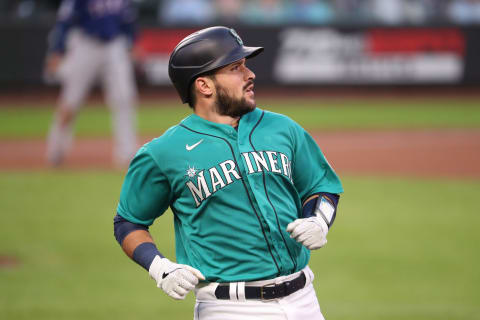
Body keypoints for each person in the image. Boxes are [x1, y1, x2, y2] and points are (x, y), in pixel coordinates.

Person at [113, 26, 343, 320]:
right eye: (236, 68)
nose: (250, 75)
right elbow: (128, 222)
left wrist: (319, 220)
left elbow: (321, 185)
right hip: (229, 308)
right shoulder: (164, 153)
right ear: (204, 86)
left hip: (304, 301)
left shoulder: (283, 128)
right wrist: (159, 266)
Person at [44, 0, 138, 167]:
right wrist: (57, 50)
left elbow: (128, 20)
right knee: (71, 100)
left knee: (124, 98)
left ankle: (127, 153)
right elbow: (65, 21)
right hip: (85, 44)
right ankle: (56, 150)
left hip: (115, 45)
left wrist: (132, 44)